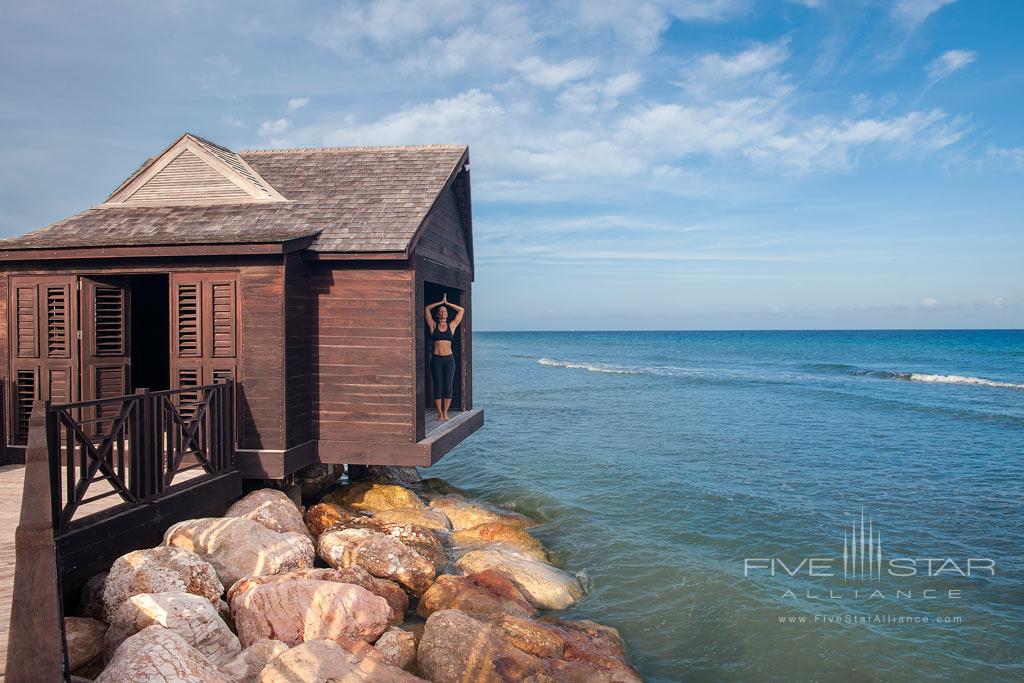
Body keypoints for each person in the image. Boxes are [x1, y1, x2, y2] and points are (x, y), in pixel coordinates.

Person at [424, 293, 464, 421]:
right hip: (436, 360)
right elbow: (426, 309)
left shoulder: (451, 326)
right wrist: (440, 302)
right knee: (438, 386)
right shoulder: (433, 325)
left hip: (449, 360)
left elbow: (461, 310)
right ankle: (439, 413)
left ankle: (445, 413)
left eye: (445, 311)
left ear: (447, 314)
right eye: (441, 310)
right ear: (438, 314)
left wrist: (447, 303)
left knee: (448, 386)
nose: (443, 312)